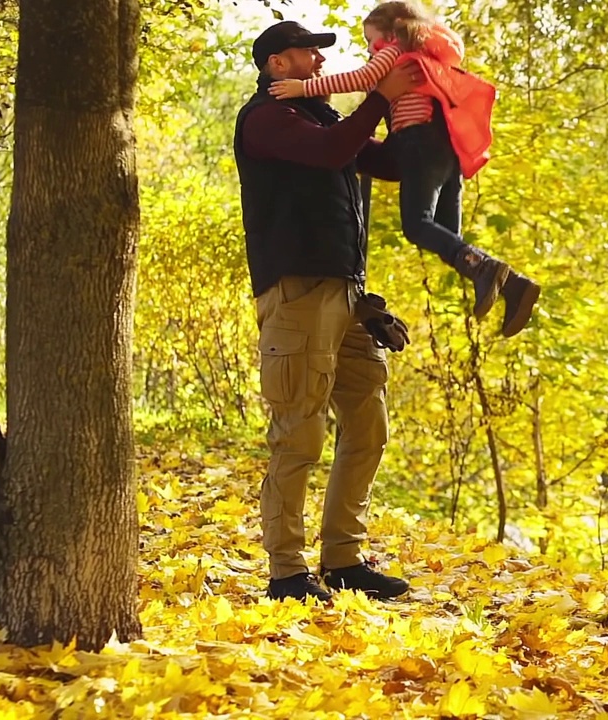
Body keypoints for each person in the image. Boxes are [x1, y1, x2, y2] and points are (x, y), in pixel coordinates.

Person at [234, 19, 420, 602]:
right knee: (299, 433)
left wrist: (414, 110)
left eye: (320, 54)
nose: (320, 62)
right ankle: (286, 572)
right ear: (276, 65)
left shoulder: (329, 119)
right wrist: (379, 95)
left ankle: (344, 559)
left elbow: (388, 164)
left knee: (367, 425)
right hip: (296, 292)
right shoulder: (264, 119)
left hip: (348, 295)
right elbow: (330, 154)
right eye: (307, 53)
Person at [269, 0, 541, 339]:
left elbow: (363, 77)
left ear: (393, 27)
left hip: (418, 143)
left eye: (370, 41)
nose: (370, 49)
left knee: (418, 225)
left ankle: (488, 269)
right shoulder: (428, 53)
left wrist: (303, 88)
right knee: (446, 238)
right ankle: (512, 285)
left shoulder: (395, 49)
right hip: (447, 150)